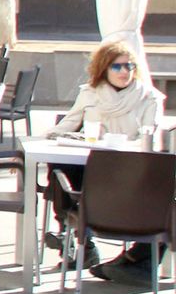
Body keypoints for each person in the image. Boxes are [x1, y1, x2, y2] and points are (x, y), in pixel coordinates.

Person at [45, 40, 166, 281]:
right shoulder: (90, 94)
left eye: (130, 66)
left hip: (132, 172)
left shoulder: (149, 97)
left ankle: (135, 258)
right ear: (104, 68)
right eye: (117, 67)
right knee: (59, 166)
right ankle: (80, 241)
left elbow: (150, 136)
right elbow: (65, 125)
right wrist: (58, 136)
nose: (125, 72)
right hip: (95, 171)